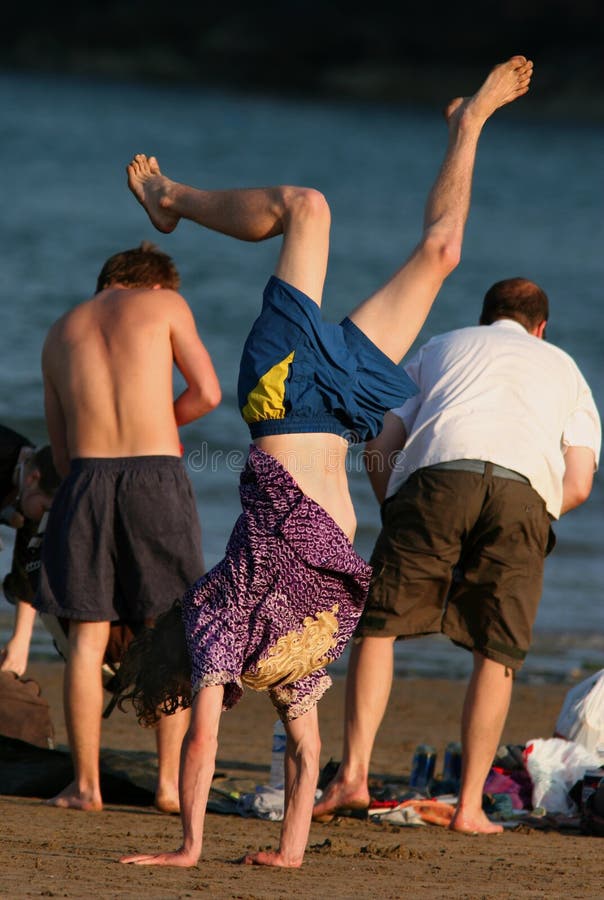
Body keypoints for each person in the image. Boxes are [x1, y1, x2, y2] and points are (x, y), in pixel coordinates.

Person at [116, 56, 534, 868]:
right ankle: (469, 124)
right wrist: (291, 852)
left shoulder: (216, 622)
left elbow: (202, 738)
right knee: (443, 252)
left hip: (280, 398)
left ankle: (170, 201)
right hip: (340, 411)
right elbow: (308, 759)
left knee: (308, 209)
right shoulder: (299, 661)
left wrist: (188, 849)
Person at [312, 277, 601, 834]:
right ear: (541, 328)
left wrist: (396, 507)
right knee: (497, 650)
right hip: (524, 494)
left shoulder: (441, 346)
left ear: (484, 316)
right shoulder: (565, 367)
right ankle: (469, 807)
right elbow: (581, 482)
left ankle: (353, 776)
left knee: (379, 627)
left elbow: (380, 445)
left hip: (434, 477)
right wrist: (537, 515)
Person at [31, 241, 222, 813]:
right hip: (154, 477)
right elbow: (208, 393)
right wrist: (161, 421)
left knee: (88, 638)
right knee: (165, 630)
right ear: (158, 285)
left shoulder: (59, 332)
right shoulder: (165, 306)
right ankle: (167, 786)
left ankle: (85, 786)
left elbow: (61, 457)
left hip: (85, 481)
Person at [1, 426, 61, 676]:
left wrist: (20, 642)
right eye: (46, 508)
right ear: (33, 477)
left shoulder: (36, 490)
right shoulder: (6, 453)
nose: (46, 515)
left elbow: (29, 567)